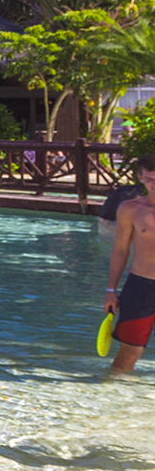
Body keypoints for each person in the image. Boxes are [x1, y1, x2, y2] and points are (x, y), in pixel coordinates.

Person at [104, 155, 155, 373]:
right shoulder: (130, 209)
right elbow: (120, 250)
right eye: (150, 178)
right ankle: (114, 393)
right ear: (140, 178)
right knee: (128, 354)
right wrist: (111, 290)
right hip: (141, 286)